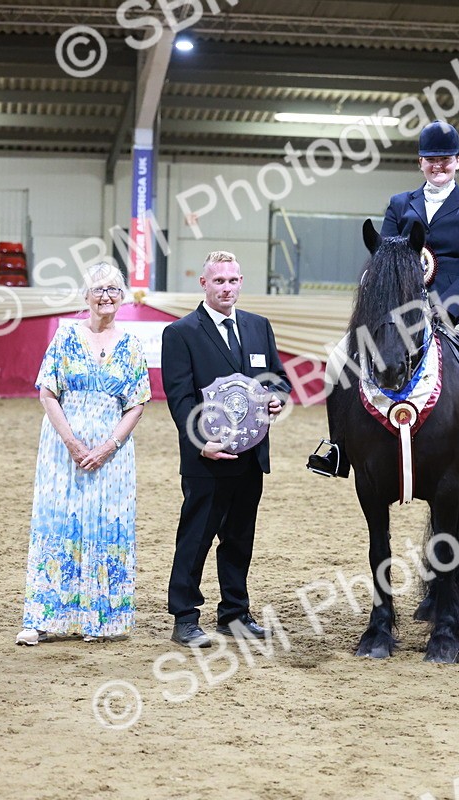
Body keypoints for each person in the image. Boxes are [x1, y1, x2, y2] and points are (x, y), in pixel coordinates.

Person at [307, 120, 459, 483]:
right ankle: (338, 447)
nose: (438, 166)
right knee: (336, 361)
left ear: (458, 161)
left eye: (445, 159)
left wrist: (445, 307)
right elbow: (385, 258)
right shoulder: (399, 204)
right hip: (401, 310)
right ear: (419, 162)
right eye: (430, 159)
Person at [161, 251, 290, 648]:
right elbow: (178, 398)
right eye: (219, 281)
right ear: (203, 284)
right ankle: (184, 617)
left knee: (239, 538)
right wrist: (202, 443)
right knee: (196, 537)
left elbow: (279, 380)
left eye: (233, 280)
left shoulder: (258, 326)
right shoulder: (181, 332)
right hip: (208, 459)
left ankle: (234, 613)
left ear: (241, 281)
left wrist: (276, 398)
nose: (227, 288)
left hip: (251, 457)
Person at [17, 262, 151, 645]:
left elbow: (137, 404)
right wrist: (73, 443)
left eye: (113, 289)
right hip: (63, 452)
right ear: (85, 296)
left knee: (107, 526)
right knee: (58, 524)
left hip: (114, 455)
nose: (106, 295)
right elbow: (48, 393)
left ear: (123, 296)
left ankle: (100, 619)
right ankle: (43, 619)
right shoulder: (64, 338)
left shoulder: (132, 345)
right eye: (98, 289)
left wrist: (109, 446)